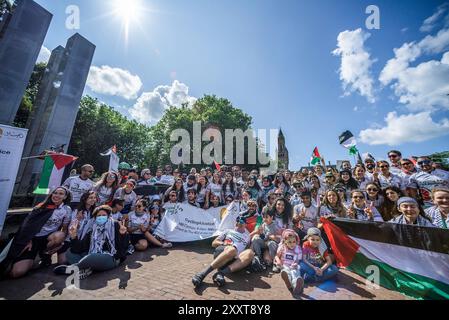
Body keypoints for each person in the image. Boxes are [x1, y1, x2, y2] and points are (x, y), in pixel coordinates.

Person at [1, 187, 72, 279]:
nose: (57, 195)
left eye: (61, 194)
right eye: (55, 193)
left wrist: (61, 243)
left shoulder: (66, 209)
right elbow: (26, 225)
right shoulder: (41, 206)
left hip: (47, 239)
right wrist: (28, 239)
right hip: (32, 239)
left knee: (60, 235)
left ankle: (45, 255)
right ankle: (33, 261)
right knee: (16, 272)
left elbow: (64, 229)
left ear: (65, 197)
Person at [54, 205, 129, 280]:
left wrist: (123, 235)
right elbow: (79, 248)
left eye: (104, 215)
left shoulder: (116, 225)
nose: (101, 217)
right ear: (95, 218)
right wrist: (74, 236)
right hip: (91, 255)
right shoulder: (92, 229)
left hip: (111, 257)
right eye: (99, 215)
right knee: (70, 252)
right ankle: (87, 269)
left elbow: (124, 247)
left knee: (93, 257)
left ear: (108, 216)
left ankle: (72, 268)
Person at [192, 216, 253, 288]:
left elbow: (247, 249)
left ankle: (221, 274)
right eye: (237, 220)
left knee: (250, 252)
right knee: (232, 250)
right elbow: (214, 243)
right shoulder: (228, 231)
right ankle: (202, 274)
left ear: (245, 224)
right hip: (223, 251)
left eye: (242, 221)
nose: (239, 222)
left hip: (234, 260)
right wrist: (224, 243)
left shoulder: (247, 236)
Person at [274, 229, 304, 297]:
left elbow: (298, 259)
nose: (292, 244)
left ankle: (296, 284)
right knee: (286, 271)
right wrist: (278, 261)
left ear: (296, 241)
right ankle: (287, 280)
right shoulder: (282, 247)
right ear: (285, 242)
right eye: (289, 242)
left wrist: (296, 263)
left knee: (295, 272)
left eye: (294, 242)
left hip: (294, 265)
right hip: (284, 264)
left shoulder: (298, 248)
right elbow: (276, 256)